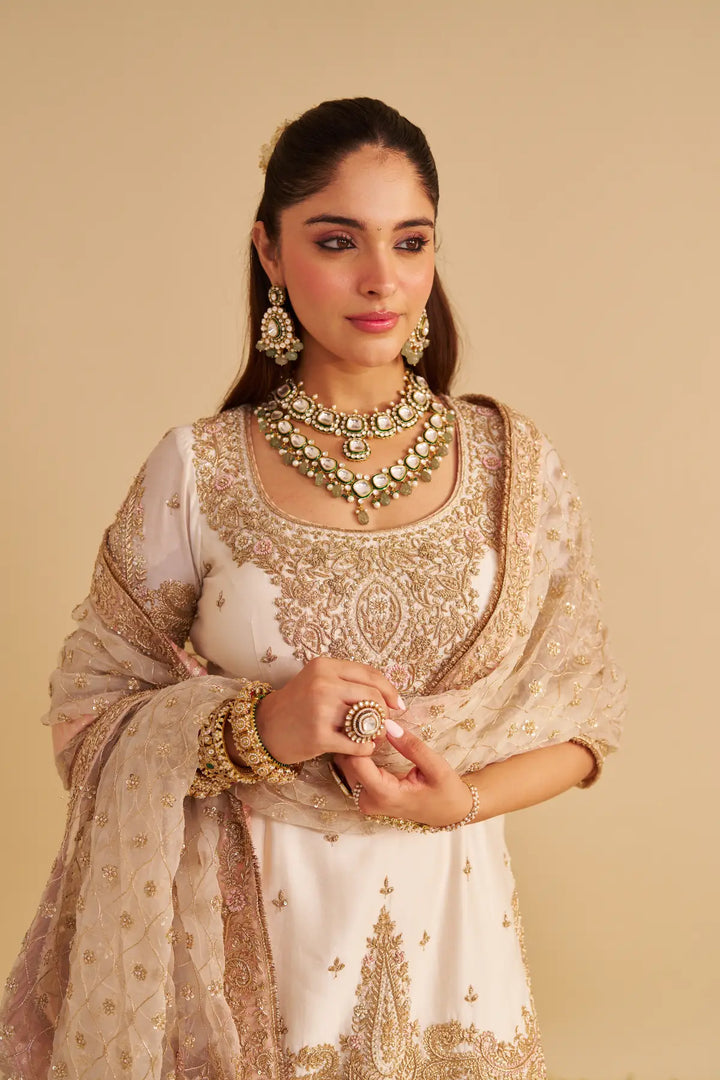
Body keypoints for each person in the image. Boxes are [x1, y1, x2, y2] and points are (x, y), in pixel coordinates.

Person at [0, 97, 626, 1079]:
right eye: (338, 241)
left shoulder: (512, 465)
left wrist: (455, 801)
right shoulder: (198, 468)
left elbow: (587, 727)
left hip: (452, 944)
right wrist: (256, 727)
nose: (383, 280)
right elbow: (88, 720)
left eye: (410, 241)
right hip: (247, 944)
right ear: (270, 251)